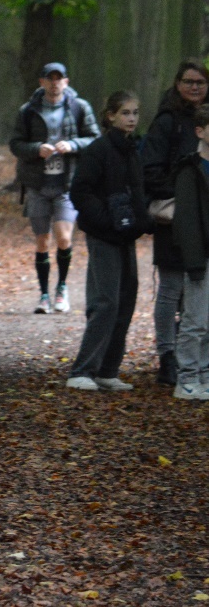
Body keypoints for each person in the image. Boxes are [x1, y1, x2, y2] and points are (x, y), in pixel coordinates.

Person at [67, 91, 149, 391]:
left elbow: (137, 192)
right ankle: (82, 370)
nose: (131, 118)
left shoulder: (131, 149)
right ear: (111, 115)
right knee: (106, 301)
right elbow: (80, 192)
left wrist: (140, 221)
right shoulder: (98, 150)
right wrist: (106, 222)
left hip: (125, 236)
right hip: (104, 236)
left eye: (135, 113)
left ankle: (107, 369)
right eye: (126, 113)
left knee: (126, 299)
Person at [9, 62, 98, 314]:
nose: (54, 83)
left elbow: (94, 138)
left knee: (64, 238)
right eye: (50, 79)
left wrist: (72, 145)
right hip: (37, 184)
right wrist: (36, 149)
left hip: (67, 183)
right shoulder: (28, 111)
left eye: (59, 79)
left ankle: (61, 287)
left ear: (66, 82)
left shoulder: (79, 108)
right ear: (42, 82)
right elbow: (15, 143)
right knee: (42, 241)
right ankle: (44, 294)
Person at [141, 60, 209, 386]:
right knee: (170, 289)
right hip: (172, 217)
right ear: (177, 83)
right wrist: (184, 192)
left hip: (203, 220)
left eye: (200, 82)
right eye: (188, 81)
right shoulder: (166, 121)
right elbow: (150, 170)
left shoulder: (205, 119)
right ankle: (167, 355)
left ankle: (193, 359)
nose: (195, 87)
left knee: (197, 291)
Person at [170, 102, 209, 401]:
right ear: (200, 131)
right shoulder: (190, 170)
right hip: (201, 257)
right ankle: (186, 378)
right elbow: (187, 220)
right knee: (194, 321)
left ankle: (205, 376)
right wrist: (194, 260)